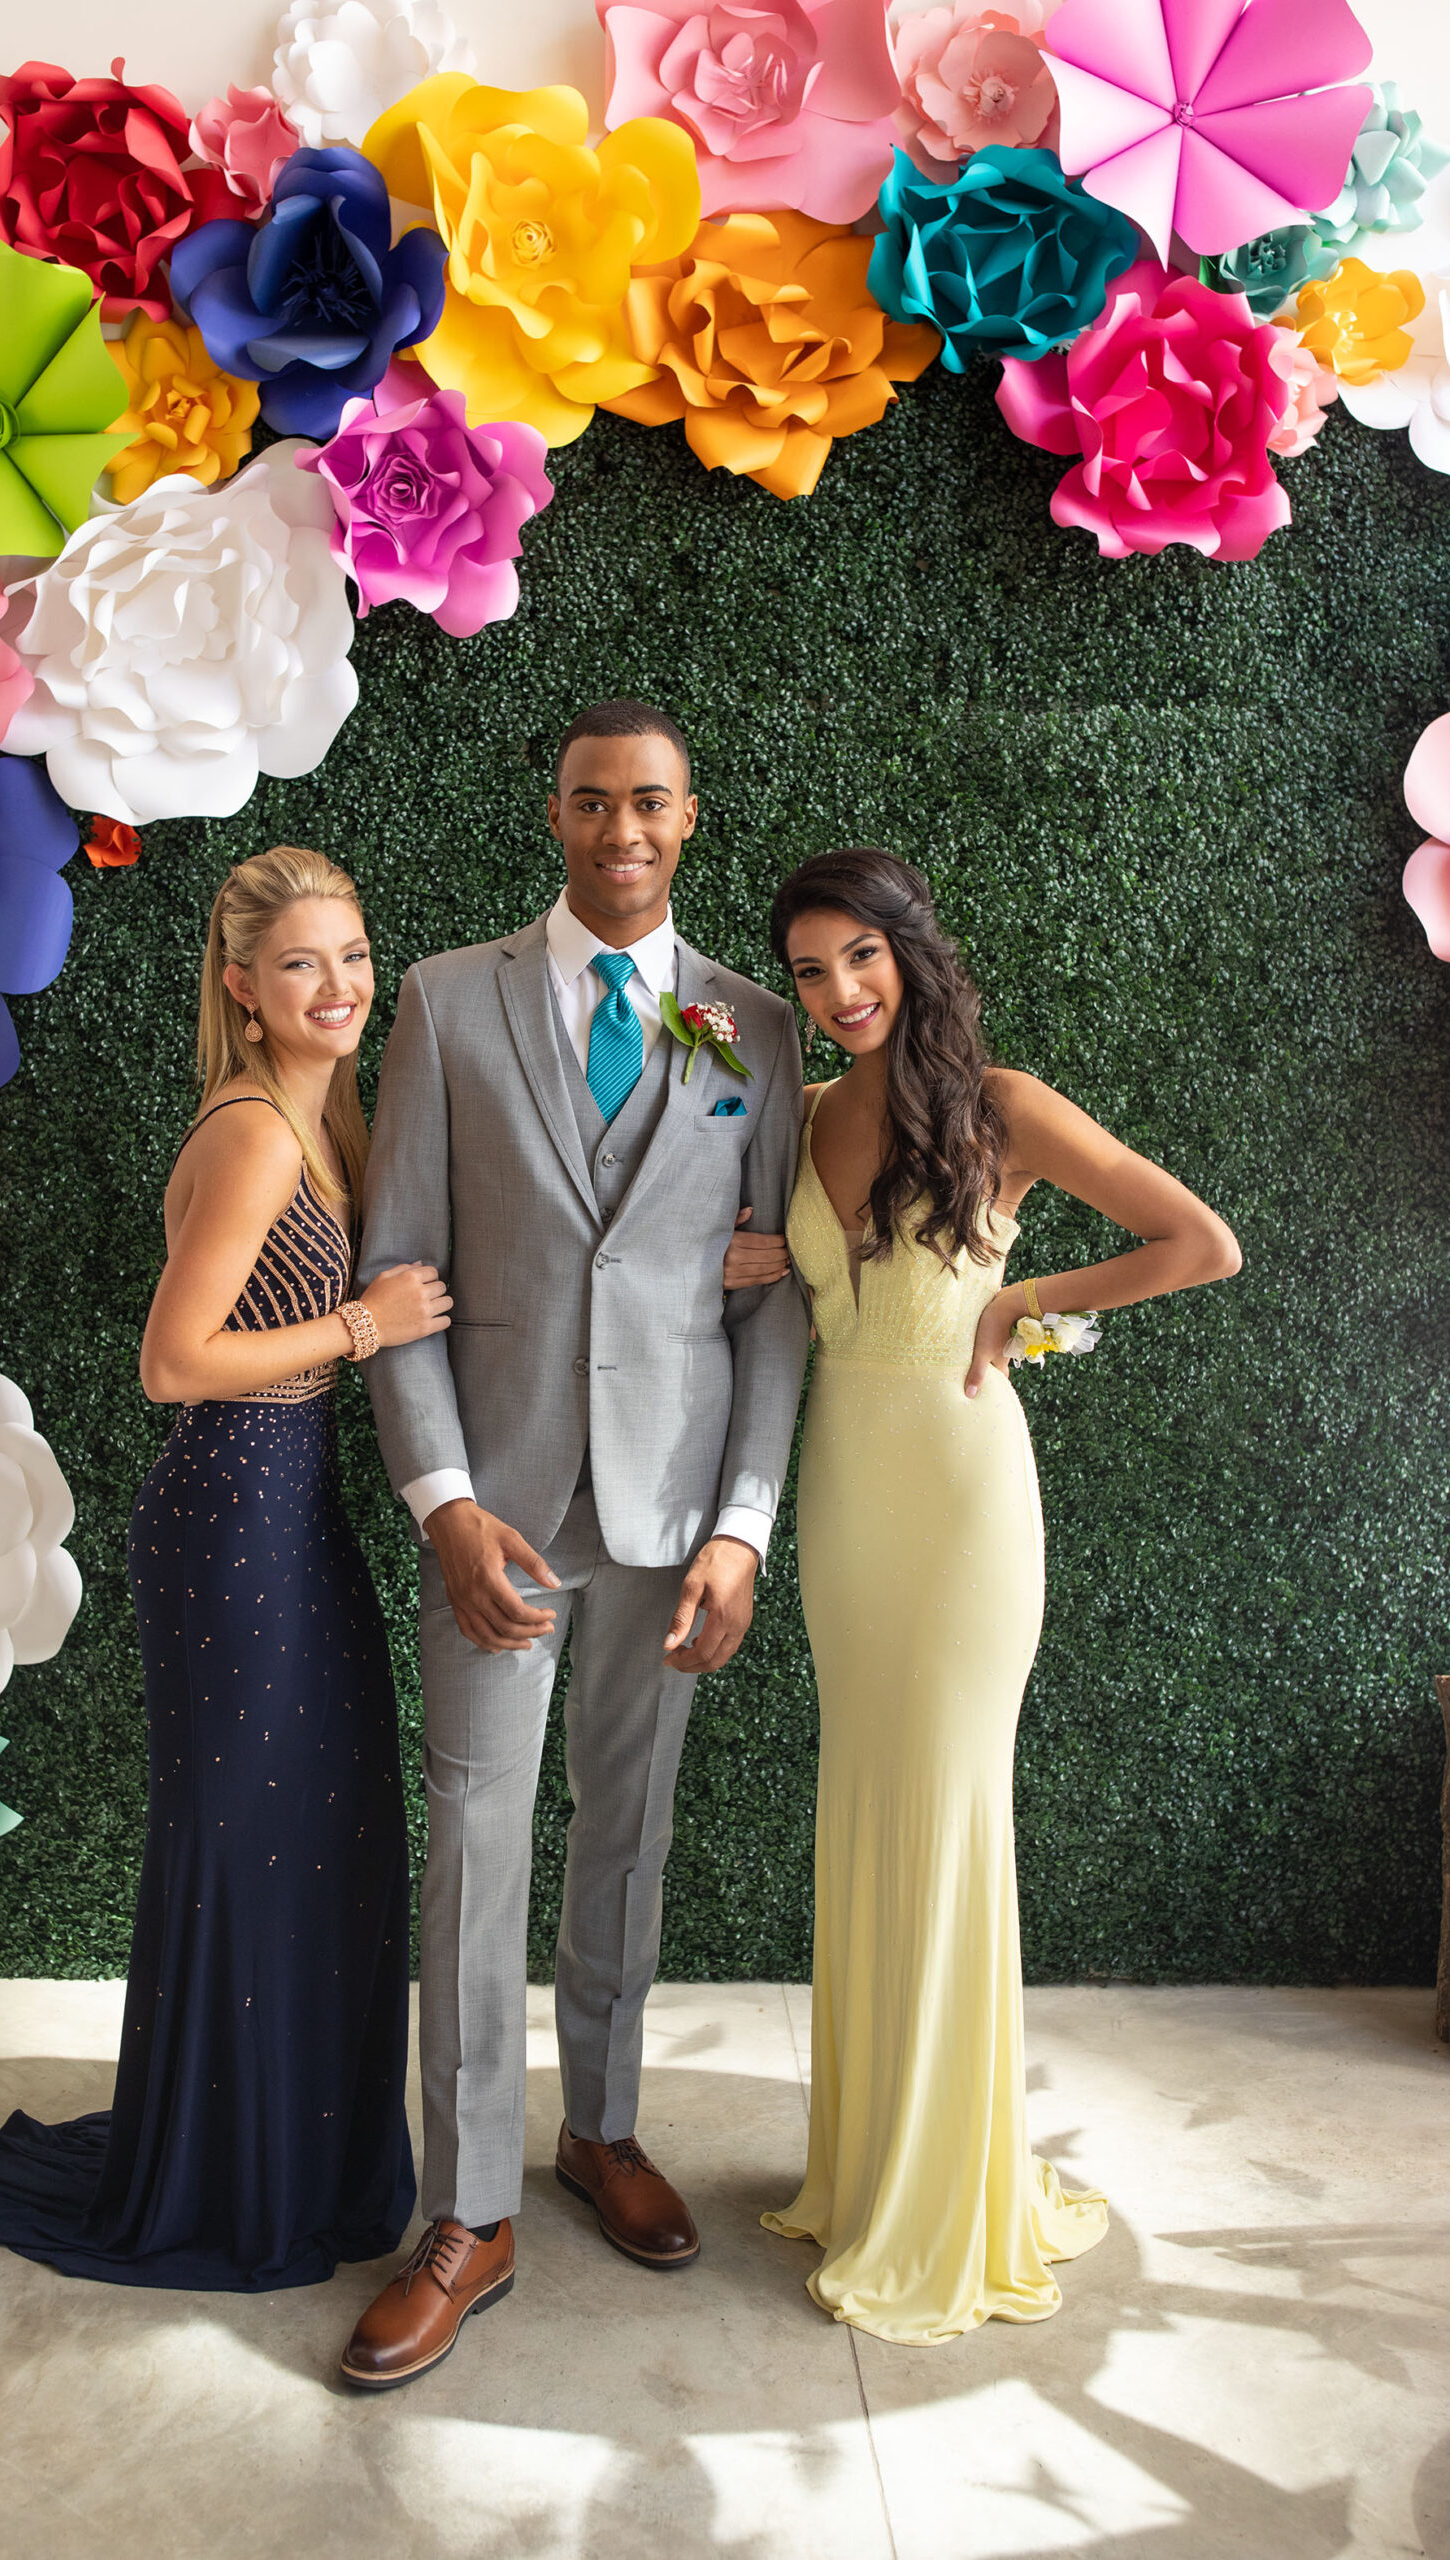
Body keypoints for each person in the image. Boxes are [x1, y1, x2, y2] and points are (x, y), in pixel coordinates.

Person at [338, 701, 811, 2389]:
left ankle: (599, 2132)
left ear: (691, 820)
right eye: (596, 801)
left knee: (630, 1826)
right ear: (556, 813)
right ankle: (468, 2212)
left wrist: (745, 1527)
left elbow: (777, 1303)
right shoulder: (446, 1003)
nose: (624, 828)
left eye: (654, 803)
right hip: (503, 1517)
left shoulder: (751, 1027)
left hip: (673, 1519)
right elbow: (394, 1280)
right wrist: (445, 1503)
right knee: (475, 1838)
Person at [733, 847, 1241, 2346]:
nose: (838, 995)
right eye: (812, 972)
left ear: (909, 949)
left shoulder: (1001, 1104)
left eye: (859, 960)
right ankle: (874, 2164)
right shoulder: (809, 1112)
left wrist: (1027, 1299)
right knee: (867, 1805)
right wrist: (773, 1264)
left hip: (961, 1504)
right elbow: (829, 1299)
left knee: (949, 1816)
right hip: (847, 1494)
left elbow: (1198, 1243)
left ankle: (950, 2193)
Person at [0, 847, 450, 2290]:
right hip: (229, 1507)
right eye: (302, 964)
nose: (338, 986)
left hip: (291, 1505)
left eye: (351, 956)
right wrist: (366, 1327)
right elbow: (174, 1362)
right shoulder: (258, 1135)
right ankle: (228, 2175)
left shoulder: (325, 1103)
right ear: (241, 985)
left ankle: (296, 2151)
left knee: (323, 1829)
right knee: (245, 1840)